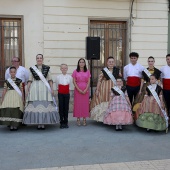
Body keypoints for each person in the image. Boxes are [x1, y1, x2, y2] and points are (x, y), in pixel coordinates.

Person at [23, 54, 59, 129]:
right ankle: (38, 123)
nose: (39, 59)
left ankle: (43, 122)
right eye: (37, 58)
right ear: (36, 59)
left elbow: (50, 80)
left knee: (44, 103)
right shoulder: (32, 69)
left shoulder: (47, 68)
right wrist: (27, 89)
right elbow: (30, 80)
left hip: (45, 88)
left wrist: (52, 89)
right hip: (35, 88)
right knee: (36, 104)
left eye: (40, 58)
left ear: (42, 59)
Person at [90, 56, 121, 122]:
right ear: (107, 63)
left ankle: (113, 118)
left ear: (114, 62)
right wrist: (97, 90)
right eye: (110, 62)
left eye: (112, 62)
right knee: (104, 101)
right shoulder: (104, 71)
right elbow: (99, 81)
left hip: (114, 89)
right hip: (104, 90)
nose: (111, 63)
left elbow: (120, 80)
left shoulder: (117, 70)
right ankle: (103, 119)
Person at [0, 66, 24, 131]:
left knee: (16, 109)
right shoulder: (7, 81)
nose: (13, 73)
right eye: (11, 72)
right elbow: (5, 90)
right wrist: (2, 98)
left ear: (16, 72)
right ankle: (10, 124)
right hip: (9, 95)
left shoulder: (19, 80)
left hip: (17, 96)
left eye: (14, 72)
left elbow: (21, 90)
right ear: (9, 73)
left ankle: (15, 125)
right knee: (9, 109)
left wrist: (22, 98)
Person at [72, 58, 91, 126]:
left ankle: (84, 119)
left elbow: (88, 81)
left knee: (85, 104)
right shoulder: (75, 71)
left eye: (83, 62)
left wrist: (86, 89)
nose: (82, 63)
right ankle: (78, 119)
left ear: (85, 64)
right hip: (78, 90)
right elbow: (74, 81)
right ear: (78, 63)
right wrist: (79, 89)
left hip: (85, 90)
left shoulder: (88, 71)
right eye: (80, 62)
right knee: (78, 104)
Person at [56, 64, 72, 129]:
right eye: (62, 68)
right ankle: (61, 122)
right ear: (60, 69)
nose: (64, 69)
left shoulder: (69, 77)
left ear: (67, 69)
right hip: (60, 93)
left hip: (66, 93)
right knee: (61, 107)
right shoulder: (58, 77)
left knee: (66, 107)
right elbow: (57, 85)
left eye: (65, 68)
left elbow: (70, 84)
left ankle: (66, 121)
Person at [160, 54, 170, 120]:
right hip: (166, 90)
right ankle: (167, 119)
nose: (169, 61)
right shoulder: (163, 68)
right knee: (166, 104)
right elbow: (161, 80)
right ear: (166, 60)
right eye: (168, 59)